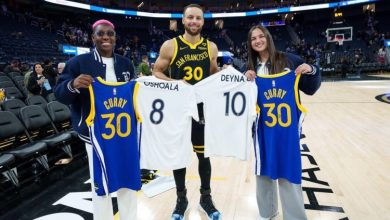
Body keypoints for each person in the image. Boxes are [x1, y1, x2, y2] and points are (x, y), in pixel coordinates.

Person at [54, 19, 136, 220]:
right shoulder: (78, 63)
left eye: (110, 33)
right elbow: (59, 94)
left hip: (124, 133)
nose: (105, 37)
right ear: (93, 37)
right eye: (100, 34)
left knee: (128, 180)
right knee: (101, 184)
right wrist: (72, 84)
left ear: (115, 38)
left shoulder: (126, 64)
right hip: (94, 135)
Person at [245, 25, 321, 220]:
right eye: (254, 38)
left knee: (288, 171)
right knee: (263, 171)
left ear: (268, 37)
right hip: (262, 130)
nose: (258, 41)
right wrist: (245, 80)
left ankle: (295, 216)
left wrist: (312, 70)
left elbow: (311, 88)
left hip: (287, 130)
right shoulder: (250, 68)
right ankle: (267, 213)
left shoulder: (289, 60)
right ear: (250, 43)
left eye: (261, 36)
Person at [152, 4, 221, 220]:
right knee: (179, 157)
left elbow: (212, 74)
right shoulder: (170, 45)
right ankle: (181, 199)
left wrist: (224, 76)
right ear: (183, 20)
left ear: (203, 21)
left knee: (204, 155)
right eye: (190, 17)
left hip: (201, 109)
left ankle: (206, 198)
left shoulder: (211, 47)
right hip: (178, 110)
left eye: (198, 18)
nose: (194, 21)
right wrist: (176, 83)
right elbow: (156, 71)